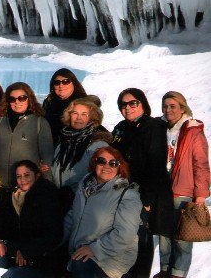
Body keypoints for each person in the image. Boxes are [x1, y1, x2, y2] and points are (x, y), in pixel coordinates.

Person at [112, 88, 176, 278]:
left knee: (141, 240)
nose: (128, 108)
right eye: (123, 105)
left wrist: (147, 200)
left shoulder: (153, 127)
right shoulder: (121, 128)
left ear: (143, 104)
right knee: (124, 238)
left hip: (145, 195)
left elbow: (155, 166)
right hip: (122, 193)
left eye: (133, 103)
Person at [63, 147, 142, 278]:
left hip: (111, 258)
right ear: (94, 163)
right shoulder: (84, 187)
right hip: (80, 250)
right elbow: (72, 216)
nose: (107, 166)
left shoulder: (127, 194)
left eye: (113, 163)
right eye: (102, 161)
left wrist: (94, 249)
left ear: (119, 167)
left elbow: (125, 234)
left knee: (80, 265)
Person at [156, 91, 210, 278]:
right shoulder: (160, 128)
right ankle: (164, 271)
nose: (168, 109)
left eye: (172, 106)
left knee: (182, 239)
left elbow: (201, 164)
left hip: (184, 192)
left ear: (182, 108)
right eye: (165, 106)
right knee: (164, 237)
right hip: (163, 192)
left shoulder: (193, 131)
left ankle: (178, 274)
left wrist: (201, 194)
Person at [0, 160, 64, 278]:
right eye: (19, 176)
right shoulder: (13, 196)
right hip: (20, 251)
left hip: (43, 257)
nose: (23, 180)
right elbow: (6, 225)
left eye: (27, 175)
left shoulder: (46, 194)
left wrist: (26, 251)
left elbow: (52, 234)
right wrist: (1, 241)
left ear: (36, 175)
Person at [0, 82, 54, 188]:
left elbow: (47, 157)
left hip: (27, 185)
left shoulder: (39, 123)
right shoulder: (1, 120)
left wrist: (46, 183)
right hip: (0, 184)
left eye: (22, 98)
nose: (17, 102)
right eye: (12, 99)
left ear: (29, 99)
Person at [50, 98, 112, 211]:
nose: (79, 118)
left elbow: (101, 177)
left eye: (84, 114)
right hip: (59, 199)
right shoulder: (63, 141)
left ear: (92, 117)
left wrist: (74, 192)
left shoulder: (98, 145)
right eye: (75, 113)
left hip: (82, 202)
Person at [42, 68, 87, 148]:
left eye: (66, 82)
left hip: (74, 149)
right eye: (57, 82)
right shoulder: (48, 103)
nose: (61, 85)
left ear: (74, 83)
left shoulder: (83, 104)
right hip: (49, 149)